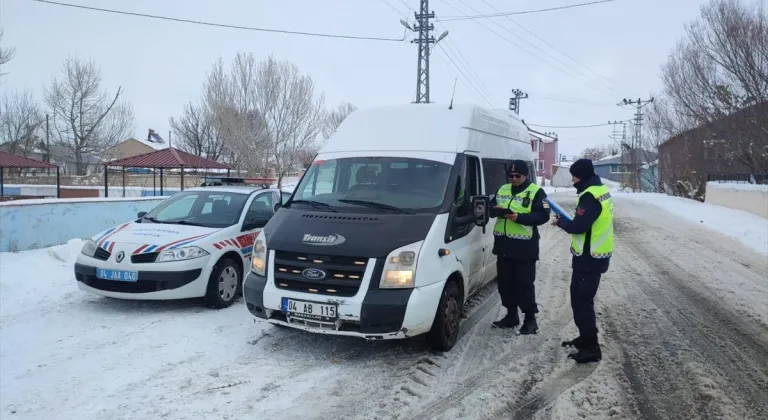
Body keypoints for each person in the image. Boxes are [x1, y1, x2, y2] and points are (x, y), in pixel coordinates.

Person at [552, 158, 614, 363]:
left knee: (582, 303)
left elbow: (579, 226)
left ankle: (592, 348)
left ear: (583, 176)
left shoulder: (589, 197)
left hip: (589, 259)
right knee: (580, 301)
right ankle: (585, 339)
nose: (572, 180)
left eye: (574, 176)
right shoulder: (600, 190)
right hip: (595, 257)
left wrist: (561, 222)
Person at [489, 160, 551, 334]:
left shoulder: (537, 192)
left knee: (523, 284)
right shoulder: (503, 189)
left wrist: (520, 218)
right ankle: (511, 315)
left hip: (524, 248)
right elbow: (491, 207)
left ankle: (530, 320)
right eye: (511, 176)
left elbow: (544, 214)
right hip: (503, 246)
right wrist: (494, 209)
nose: (514, 179)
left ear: (525, 176)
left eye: (518, 176)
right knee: (505, 283)